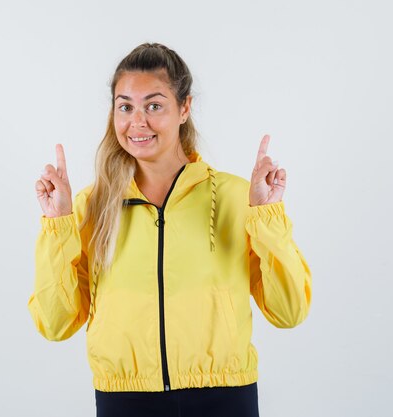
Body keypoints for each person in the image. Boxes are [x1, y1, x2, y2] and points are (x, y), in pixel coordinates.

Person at [28, 43, 312, 417]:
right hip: (125, 401)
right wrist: (58, 224)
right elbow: (55, 324)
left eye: (154, 105)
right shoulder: (89, 208)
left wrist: (267, 215)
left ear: (185, 109)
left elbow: (288, 311)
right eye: (125, 106)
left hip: (224, 398)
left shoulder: (236, 197)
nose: (137, 121)